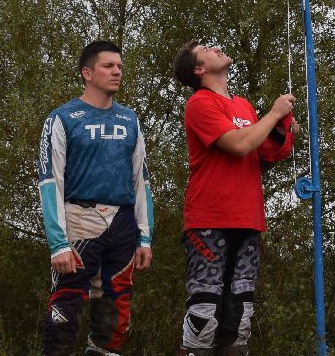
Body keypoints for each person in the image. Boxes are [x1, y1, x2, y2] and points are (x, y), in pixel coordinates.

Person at [173, 41, 295, 355]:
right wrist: (273, 113)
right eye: (205, 49)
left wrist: (281, 129)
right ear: (199, 70)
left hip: (248, 218)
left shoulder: (242, 105)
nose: (215, 47)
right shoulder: (199, 103)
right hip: (209, 220)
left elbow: (264, 153)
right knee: (206, 310)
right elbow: (239, 145)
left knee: (239, 315)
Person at [37, 40, 154, 356]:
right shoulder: (63, 118)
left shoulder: (129, 119)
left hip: (124, 221)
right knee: (66, 307)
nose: (117, 71)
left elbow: (140, 179)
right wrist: (57, 243)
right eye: (108, 65)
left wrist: (145, 236)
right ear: (87, 73)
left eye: (119, 66)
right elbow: (50, 181)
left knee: (116, 312)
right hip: (79, 216)